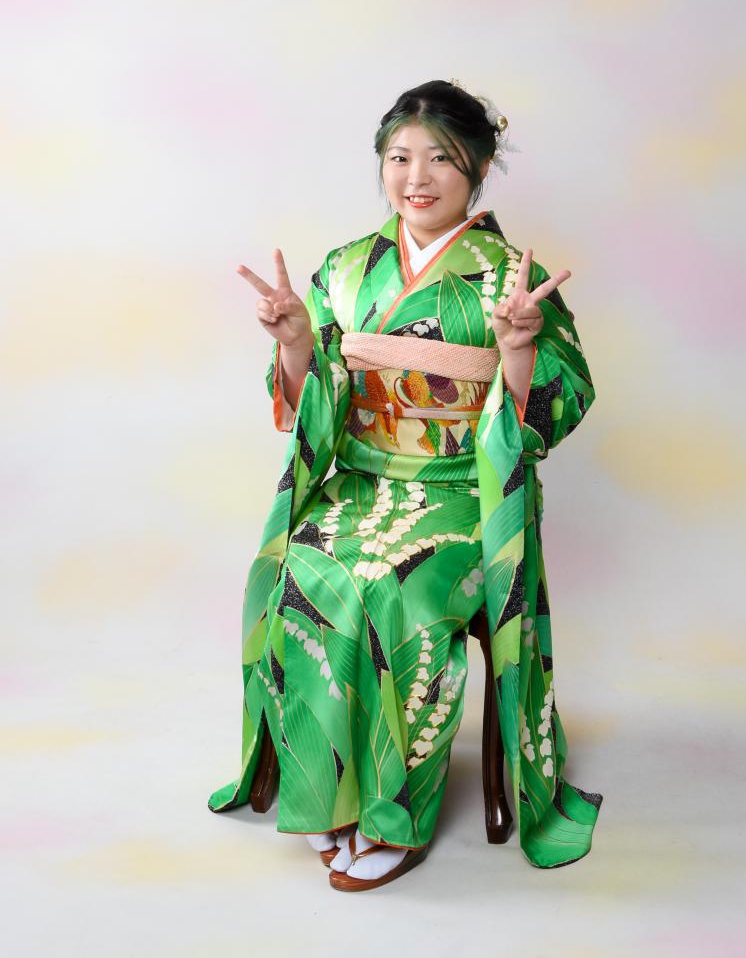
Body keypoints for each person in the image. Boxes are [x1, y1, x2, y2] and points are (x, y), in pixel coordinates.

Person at [207, 79, 603, 891]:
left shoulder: (510, 279)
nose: (416, 177)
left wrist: (519, 351)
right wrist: (295, 343)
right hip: (362, 479)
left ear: (479, 167)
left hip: (467, 491)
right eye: (398, 157)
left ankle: (397, 817)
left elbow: (557, 405)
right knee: (303, 572)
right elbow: (311, 398)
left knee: (398, 590)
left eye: (440, 159)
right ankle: (325, 793)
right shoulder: (347, 269)